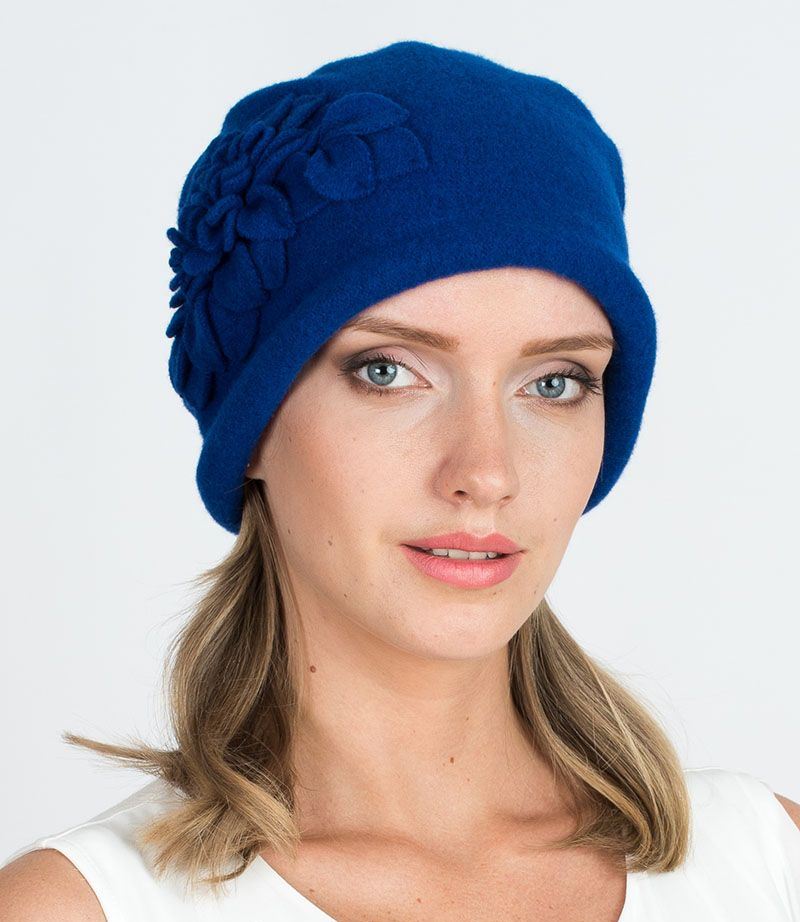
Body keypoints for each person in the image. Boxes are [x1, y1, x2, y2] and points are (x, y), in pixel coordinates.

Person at [2, 39, 799, 922]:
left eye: (554, 383)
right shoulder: (82, 909)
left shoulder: (771, 865)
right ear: (254, 422)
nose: (486, 473)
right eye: (388, 371)